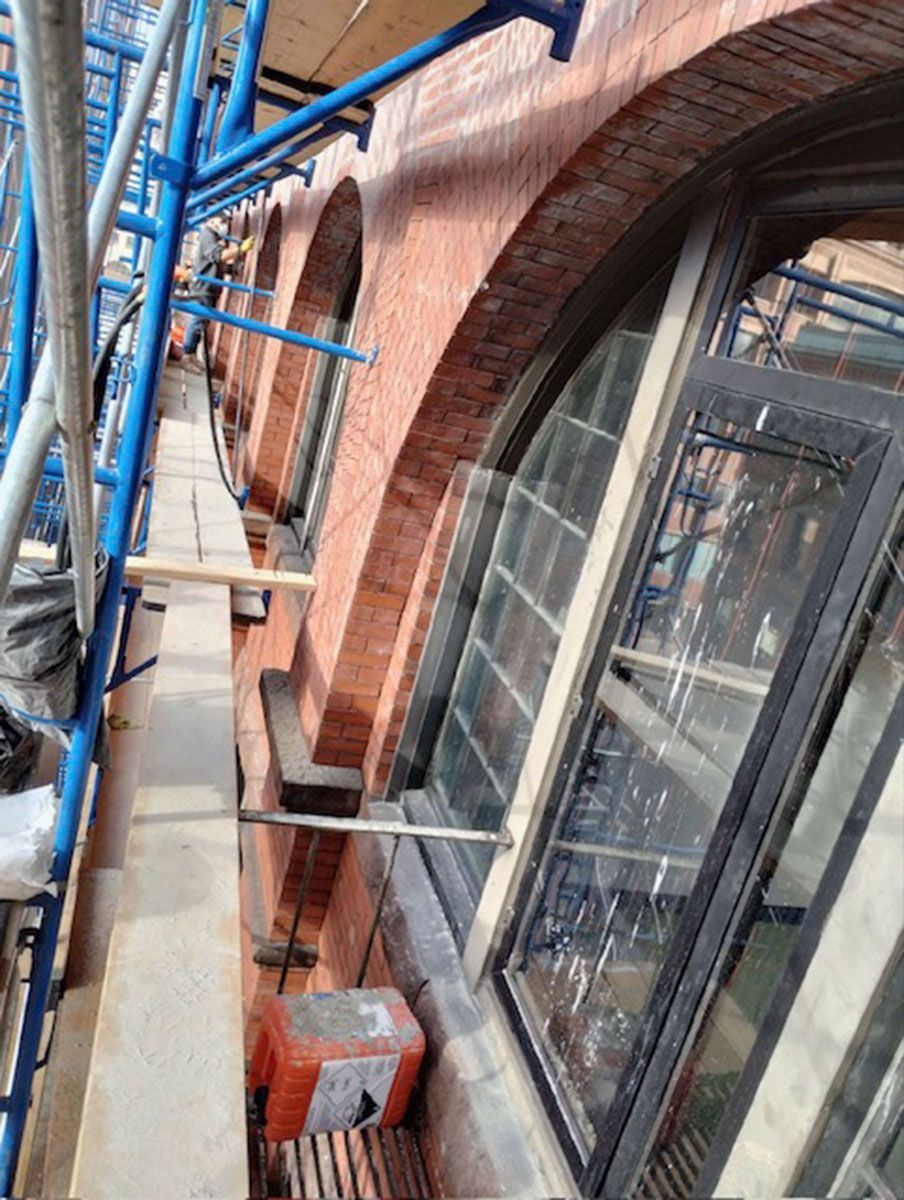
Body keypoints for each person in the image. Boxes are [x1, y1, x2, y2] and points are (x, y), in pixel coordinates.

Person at [179, 217, 250, 373]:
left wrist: (231, 269)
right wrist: (240, 250)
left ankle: (190, 354)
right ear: (212, 221)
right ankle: (187, 355)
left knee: (202, 322)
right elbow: (217, 256)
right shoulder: (208, 235)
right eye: (221, 221)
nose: (224, 224)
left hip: (209, 287)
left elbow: (213, 264)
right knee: (198, 321)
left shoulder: (212, 237)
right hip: (203, 288)